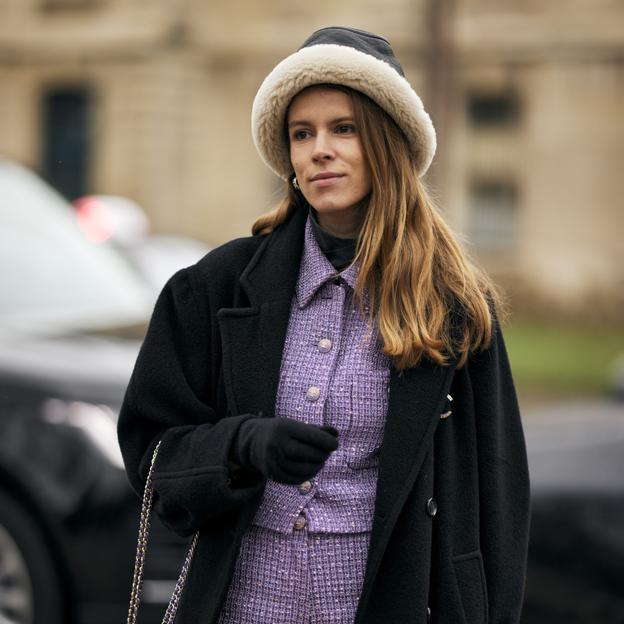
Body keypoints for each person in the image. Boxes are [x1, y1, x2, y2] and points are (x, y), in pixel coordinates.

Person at [118, 26, 530, 624]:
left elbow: (501, 498)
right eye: (301, 133)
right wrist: (240, 443)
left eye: (344, 128)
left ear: (387, 144)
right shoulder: (211, 289)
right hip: (241, 607)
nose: (319, 150)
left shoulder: (453, 304)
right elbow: (151, 453)